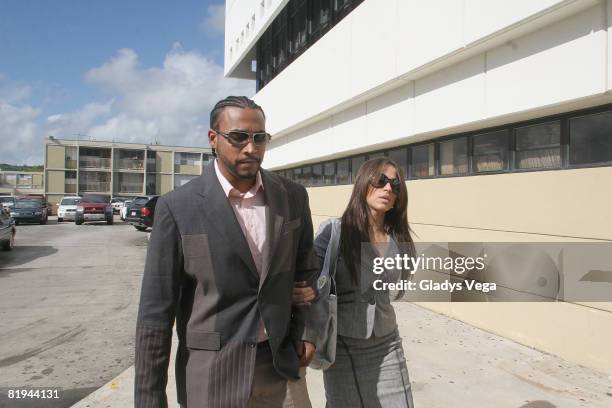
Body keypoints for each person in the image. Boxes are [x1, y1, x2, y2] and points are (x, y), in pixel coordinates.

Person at [134, 96, 318, 408]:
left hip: (279, 367)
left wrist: (307, 329)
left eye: (259, 138)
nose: (251, 148)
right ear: (213, 139)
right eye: (239, 137)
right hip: (212, 377)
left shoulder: (292, 197)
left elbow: (306, 272)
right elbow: (155, 313)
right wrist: (150, 400)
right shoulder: (178, 208)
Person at [313, 157, 416, 407]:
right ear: (363, 183)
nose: (388, 188)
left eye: (395, 185)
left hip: (387, 341)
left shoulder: (398, 237)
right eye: (381, 180)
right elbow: (309, 279)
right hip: (343, 343)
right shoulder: (335, 231)